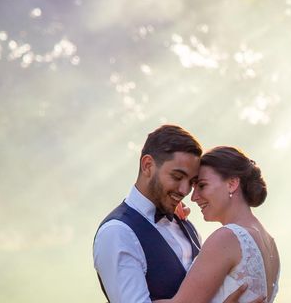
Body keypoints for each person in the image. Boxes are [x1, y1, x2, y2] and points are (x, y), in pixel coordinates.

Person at [93, 124, 261, 303]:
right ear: (147, 165)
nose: (185, 190)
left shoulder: (186, 225)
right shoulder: (117, 233)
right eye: (177, 177)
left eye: (192, 181)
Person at [153, 146, 280, 303]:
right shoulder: (269, 243)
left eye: (202, 185)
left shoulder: (228, 237)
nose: (193, 197)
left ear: (232, 184)